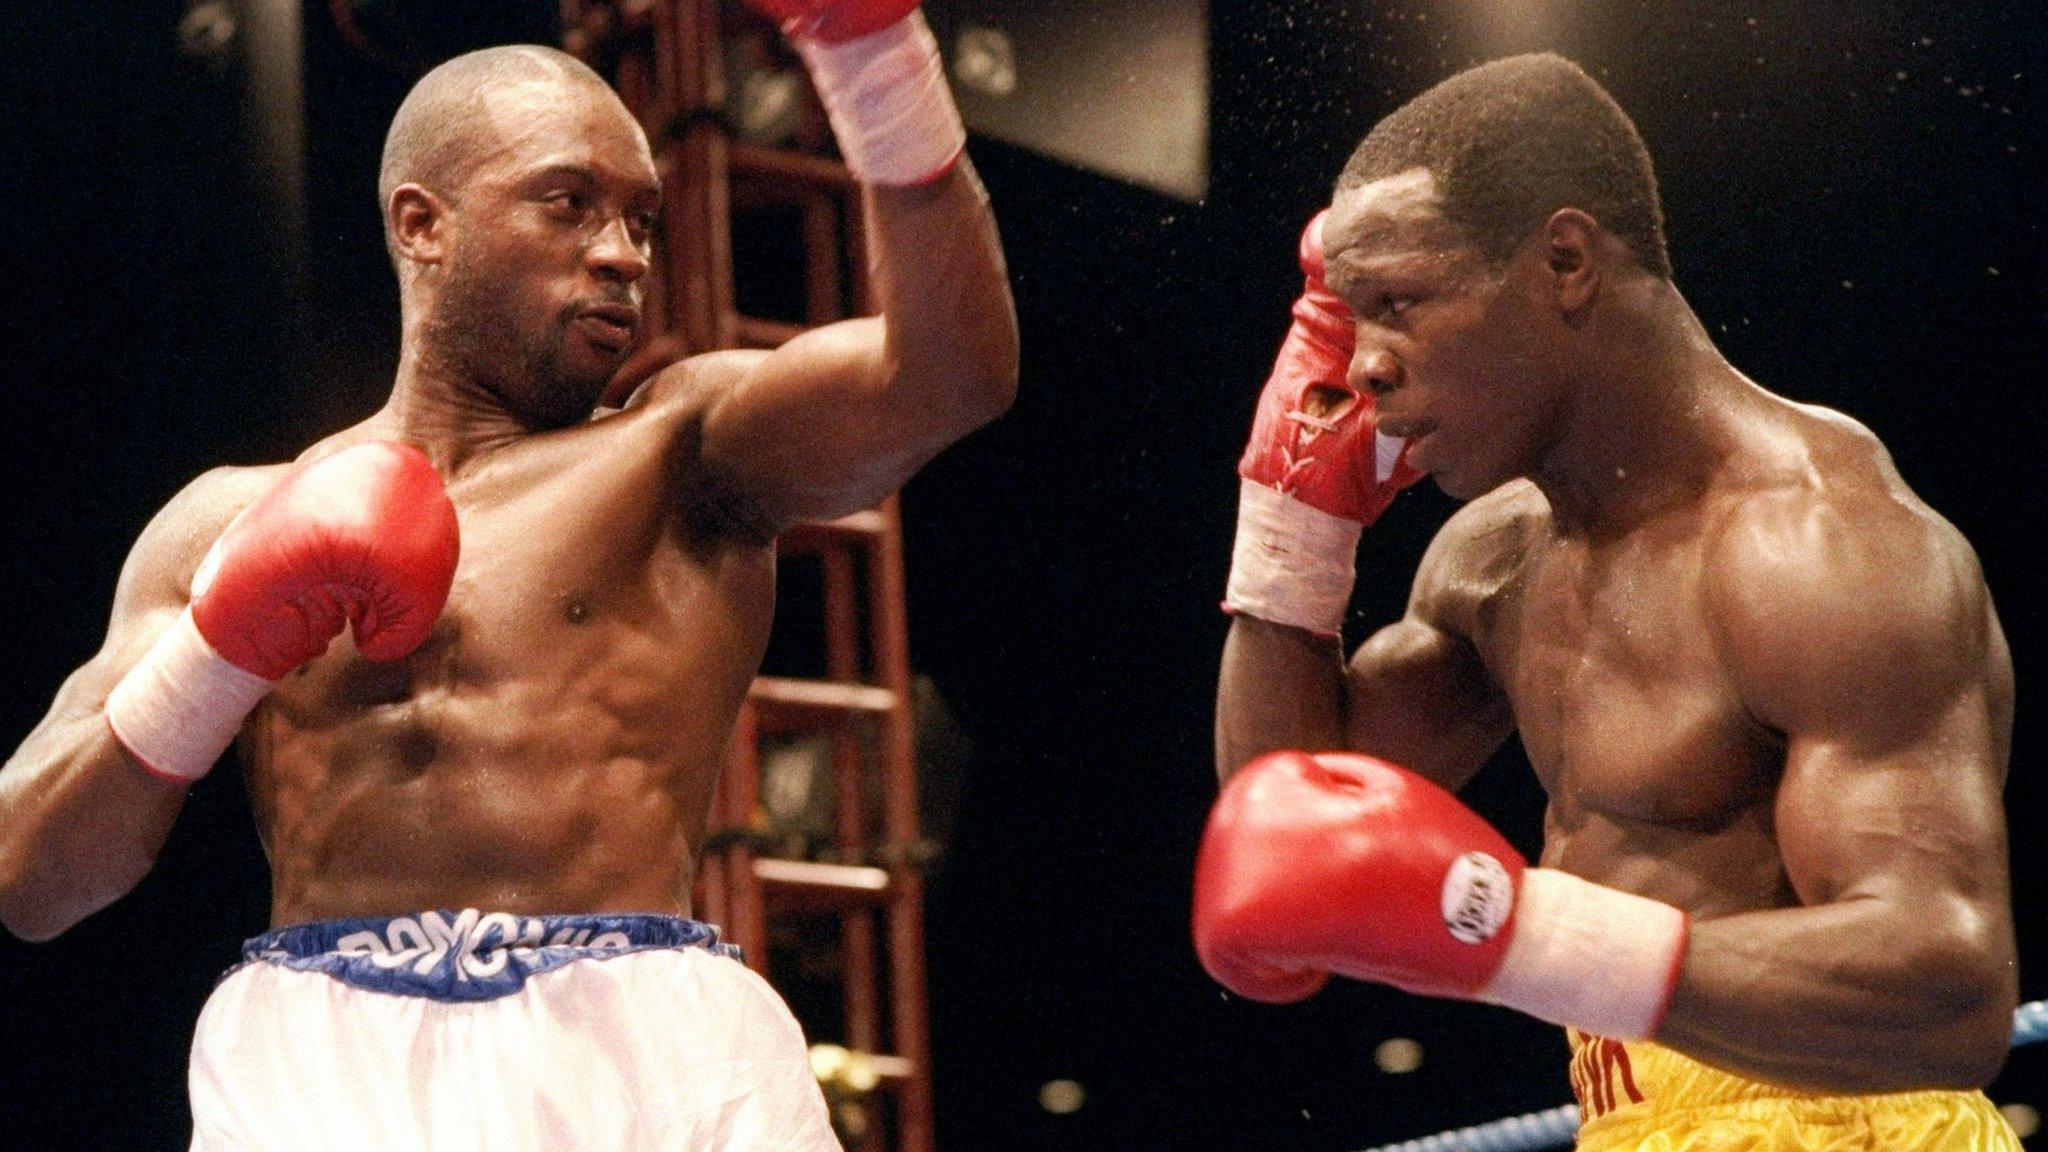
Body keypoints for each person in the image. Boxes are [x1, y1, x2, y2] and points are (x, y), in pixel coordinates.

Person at [0, 0, 1017, 1146]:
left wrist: (873, 58)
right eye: (568, 202)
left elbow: (945, 376)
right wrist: (219, 645)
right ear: (423, 225)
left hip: (638, 1058)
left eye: (641, 218)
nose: (620, 253)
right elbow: (30, 879)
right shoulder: (223, 525)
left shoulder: (680, 453)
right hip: (323, 1072)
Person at [1196, 53, 2021, 1151]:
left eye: (1397, 305)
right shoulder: (1493, 563)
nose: (1366, 369)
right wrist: (1292, 527)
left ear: (1566, 261)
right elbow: (1283, 823)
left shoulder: (1816, 548)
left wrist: (1520, 934)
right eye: (1350, 326)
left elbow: (1948, 989)